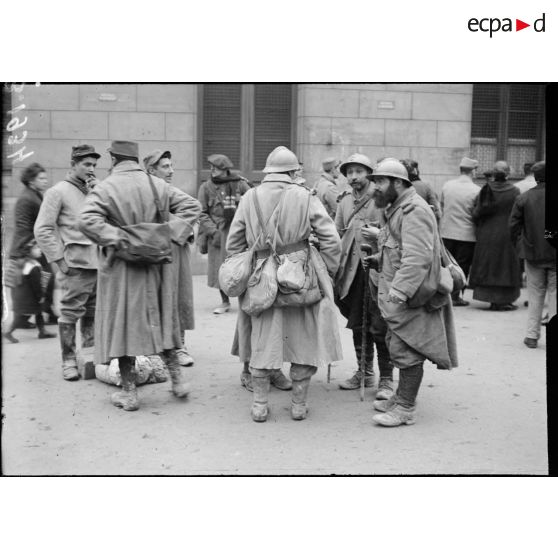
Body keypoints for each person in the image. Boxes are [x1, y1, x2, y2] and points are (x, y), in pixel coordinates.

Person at [79, 140, 198, 411]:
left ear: (113, 159)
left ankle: (129, 394)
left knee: (124, 326)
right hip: (156, 264)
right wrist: (166, 235)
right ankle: (178, 382)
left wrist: (120, 238)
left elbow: (86, 220)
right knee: (161, 320)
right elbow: (192, 207)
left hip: (122, 268)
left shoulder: (106, 186)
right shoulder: (156, 184)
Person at [226, 146, 342, 422]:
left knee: (264, 340)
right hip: (300, 278)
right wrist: (327, 269)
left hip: (260, 282)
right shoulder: (304, 196)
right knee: (302, 340)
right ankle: (299, 406)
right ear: (292, 172)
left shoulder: (250, 196)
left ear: (268, 171)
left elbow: (234, 244)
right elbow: (331, 240)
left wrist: (252, 265)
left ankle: (260, 405)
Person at [369, 158, 458, 426]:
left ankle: (405, 408)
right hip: (400, 292)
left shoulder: (413, 210)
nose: (376, 188)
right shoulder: (397, 208)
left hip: (410, 295)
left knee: (406, 349)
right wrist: (378, 260)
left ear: (398, 183)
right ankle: (401, 397)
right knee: (397, 344)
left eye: (381, 182)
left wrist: (399, 291)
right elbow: (398, 250)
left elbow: (417, 258)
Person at [34, 145, 100, 381]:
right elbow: (42, 229)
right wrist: (60, 261)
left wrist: (98, 192)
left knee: (92, 312)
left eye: (94, 165)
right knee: (71, 313)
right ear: (73, 165)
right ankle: (68, 361)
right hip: (75, 265)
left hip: (99, 264)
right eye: (86, 164)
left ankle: (89, 358)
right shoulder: (57, 191)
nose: (91, 169)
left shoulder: (96, 190)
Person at [334, 153, 394, 398]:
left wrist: (378, 235)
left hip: (378, 270)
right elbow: (336, 234)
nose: (353, 177)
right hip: (351, 271)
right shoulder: (344, 202)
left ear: (369, 174)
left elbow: (395, 234)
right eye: (349, 172)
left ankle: (387, 380)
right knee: (357, 322)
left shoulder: (383, 200)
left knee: (379, 325)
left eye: (359, 171)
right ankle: (364, 371)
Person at [144, 149, 201, 367]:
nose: (171, 170)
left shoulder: (172, 192)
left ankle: (180, 346)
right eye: (165, 166)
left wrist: (182, 232)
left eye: (171, 165)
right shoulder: (145, 193)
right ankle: (157, 348)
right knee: (156, 298)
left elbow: (193, 213)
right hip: (153, 255)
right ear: (151, 170)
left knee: (180, 296)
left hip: (177, 252)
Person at [509, 161, 556, 348]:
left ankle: (531, 336)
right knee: (555, 295)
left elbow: (513, 227)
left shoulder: (524, 198)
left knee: (535, 294)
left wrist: (521, 245)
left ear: (536, 178)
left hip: (532, 252)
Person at [198, 154, 250, 314]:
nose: (212, 170)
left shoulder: (240, 184)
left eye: (216, 167)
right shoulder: (206, 187)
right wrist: (212, 232)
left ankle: (246, 300)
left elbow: (253, 200)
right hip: (218, 233)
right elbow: (201, 213)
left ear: (225, 169)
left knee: (243, 268)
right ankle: (224, 302)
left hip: (239, 232)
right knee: (220, 269)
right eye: (211, 166)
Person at [6, 162, 56, 327]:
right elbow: (23, 226)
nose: (45, 181)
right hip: (26, 249)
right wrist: (31, 248)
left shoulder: (34, 195)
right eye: (41, 178)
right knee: (36, 280)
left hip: (32, 247)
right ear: (31, 181)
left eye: (45, 177)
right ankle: (35, 315)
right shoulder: (27, 198)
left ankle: (36, 315)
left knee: (41, 279)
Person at [469, 161, 522, 311]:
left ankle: (492, 300)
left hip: (487, 233)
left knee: (489, 265)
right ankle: (504, 300)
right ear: (508, 174)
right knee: (505, 265)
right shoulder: (515, 191)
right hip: (507, 233)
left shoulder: (486, 189)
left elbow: (477, 212)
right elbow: (517, 214)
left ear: (493, 173)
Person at [439, 157, 481, 306]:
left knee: (446, 265)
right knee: (462, 267)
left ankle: (444, 293)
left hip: (446, 232)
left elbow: (442, 206)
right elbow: (477, 213)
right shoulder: (477, 190)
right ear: (473, 171)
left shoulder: (447, 186)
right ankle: (456, 296)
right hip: (467, 234)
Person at [3, 240, 56, 343]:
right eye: (36, 248)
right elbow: (36, 285)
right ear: (29, 252)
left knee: (38, 313)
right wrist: (41, 296)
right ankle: (8, 332)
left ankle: (42, 331)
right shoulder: (34, 266)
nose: (40, 250)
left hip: (22, 297)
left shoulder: (23, 263)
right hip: (30, 299)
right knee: (21, 318)